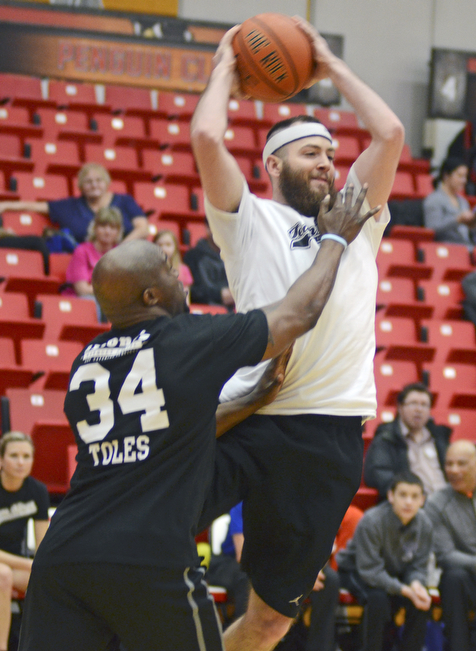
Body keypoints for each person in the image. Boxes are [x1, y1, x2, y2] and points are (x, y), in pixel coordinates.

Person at [18, 186, 378, 651]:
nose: (181, 276)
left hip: (65, 552)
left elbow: (166, 433)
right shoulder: (184, 338)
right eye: (170, 271)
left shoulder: (86, 360)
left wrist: (249, 401)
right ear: (151, 294)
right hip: (146, 553)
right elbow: (298, 312)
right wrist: (336, 240)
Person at [191, 16, 404, 650]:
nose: (327, 165)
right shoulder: (249, 221)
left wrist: (328, 64)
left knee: (272, 619)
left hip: (329, 433)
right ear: (273, 163)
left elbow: (390, 131)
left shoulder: (357, 219)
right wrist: (229, 62)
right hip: (252, 416)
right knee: (144, 537)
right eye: (312, 153)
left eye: (331, 156)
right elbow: (206, 134)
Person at [336, 471, 432, 651]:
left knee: (421, 602)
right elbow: (370, 571)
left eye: (414, 496)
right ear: (390, 496)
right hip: (355, 571)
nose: (409, 502)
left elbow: (418, 566)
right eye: (403, 495)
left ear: (423, 500)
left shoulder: (425, 524)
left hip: (393, 573)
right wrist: (404, 590)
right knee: (378, 599)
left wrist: (417, 584)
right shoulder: (372, 520)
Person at [0, 163, 149, 244]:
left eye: (99, 181)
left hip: (127, 256)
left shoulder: (124, 200)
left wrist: (121, 248)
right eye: (88, 182)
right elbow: (36, 206)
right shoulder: (70, 206)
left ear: (107, 183)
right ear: (80, 186)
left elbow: (143, 228)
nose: (94, 185)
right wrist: (5, 205)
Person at [0, 431, 50, 651]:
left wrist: (41, 566)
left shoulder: (37, 490)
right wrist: (30, 565)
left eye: (27, 456)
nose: (21, 462)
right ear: (1, 460)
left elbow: (43, 545)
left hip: (15, 566)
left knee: (53, 580)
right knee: (3, 576)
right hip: (7, 568)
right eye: (14, 456)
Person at [425, 439, 476, 651]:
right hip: (466, 579)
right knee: (453, 577)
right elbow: (445, 555)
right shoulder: (437, 502)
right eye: (449, 464)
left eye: (461, 464)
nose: (454, 470)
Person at [364, 382, 451, 499]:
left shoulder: (439, 437)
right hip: (412, 505)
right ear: (400, 407)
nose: (419, 409)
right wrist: (409, 496)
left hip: (447, 502)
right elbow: (378, 475)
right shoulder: (387, 438)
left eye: (424, 405)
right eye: (413, 403)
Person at [206, 502, 250, 627]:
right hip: (225, 563)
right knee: (248, 577)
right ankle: (244, 631)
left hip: (256, 563)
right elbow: (242, 555)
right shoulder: (241, 506)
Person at [423, 157, 476, 250]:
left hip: (467, 248)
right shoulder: (433, 199)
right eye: (460, 176)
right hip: (446, 248)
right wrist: (457, 220)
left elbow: (468, 232)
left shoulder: (463, 202)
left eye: (465, 176)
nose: (464, 181)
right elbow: (431, 229)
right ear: (446, 175)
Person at [183, 220, 234, 310]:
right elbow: (192, 292)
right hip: (205, 312)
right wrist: (220, 295)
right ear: (208, 229)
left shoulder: (236, 256)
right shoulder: (193, 256)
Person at [154, 229, 193, 303]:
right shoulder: (149, 270)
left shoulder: (183, 270)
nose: (164, 249)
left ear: (175, 247)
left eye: (168, 245)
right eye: (159, 245)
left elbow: (186, 297)